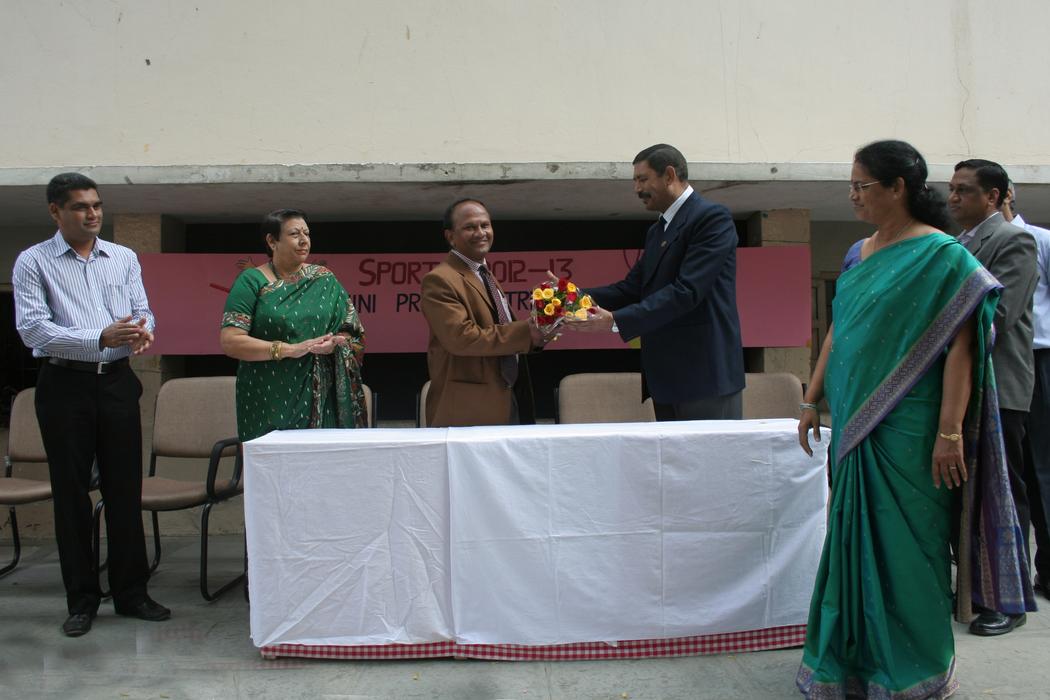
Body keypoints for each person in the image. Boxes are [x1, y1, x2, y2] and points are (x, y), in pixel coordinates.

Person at [796, 141, 1033, 698]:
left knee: (910, 549)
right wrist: (810, 398)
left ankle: (914, 669)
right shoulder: (858, 253)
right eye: (850, 186)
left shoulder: (944, 256)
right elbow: (839, 330)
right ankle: (851, 662)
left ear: (897, 187)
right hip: (853, 422)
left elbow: (962, 351)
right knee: (852, 539)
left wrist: (950, 432)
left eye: (861, 186)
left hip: (912, 428)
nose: (853, 196)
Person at [13, 172, 170, 637]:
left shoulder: (122, 257)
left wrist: (142, 330)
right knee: (71, 494)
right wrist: (98, 336)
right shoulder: (33, 261)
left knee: (124, 490)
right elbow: (33, 329)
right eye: (81, 206)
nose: (93, 214)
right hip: (64, 384)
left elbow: (143, 309)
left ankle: (131, 593)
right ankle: (82, 600)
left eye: (97, 205)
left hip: (117, 383)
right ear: (56, 211)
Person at [563, 143, 744, 420]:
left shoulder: (711, 218)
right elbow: (631, 289)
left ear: (669, 175)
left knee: (709, 451)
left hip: (706, 377)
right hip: (666, 380)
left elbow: (686, 292)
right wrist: (568, 297)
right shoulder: (657, 231)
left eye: (642, 179)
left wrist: (614, 321)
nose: (636, 189)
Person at [949, 160, 1040, 636]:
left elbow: (999, 315)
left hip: (999, 386)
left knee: (1001, 495)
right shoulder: (954, 244)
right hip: (958, 387)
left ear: (994, 196)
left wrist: (935, 324)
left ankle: (1008, 599)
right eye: (951, 189)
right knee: (962, 495)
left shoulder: (1013, 240)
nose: (953, 198)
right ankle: (971, 590)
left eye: (964, 190)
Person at [220, 209, 367, 441]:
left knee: (322, 458)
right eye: (294, 234)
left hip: (322, 396)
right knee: (273, 459)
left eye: (307, 233)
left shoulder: (324, 279)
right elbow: (231, 341)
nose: (304, 240)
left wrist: (336, 343)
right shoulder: (251, 281)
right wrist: (290, 349)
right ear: (272, 241)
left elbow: (352, 332)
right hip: (269, 396)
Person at [420, 198, 546, 427]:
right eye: (470, 227)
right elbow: (461, 338)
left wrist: (538, 331)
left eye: (485, 225)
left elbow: (501, 329)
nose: (480, 233)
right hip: (469, 409)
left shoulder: (483, 273)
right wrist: (526, 332)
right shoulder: (440, 279)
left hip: (509, 398)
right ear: (450, 236)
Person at [1001, 184, 1050, 602]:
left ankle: (1047, 572)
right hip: (998, 363)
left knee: (1043, 468)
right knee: (1009, 470)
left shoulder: (1040, 240)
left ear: (1003, 194)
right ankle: (1008, 579)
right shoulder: (967, 245)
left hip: (1041, 358)